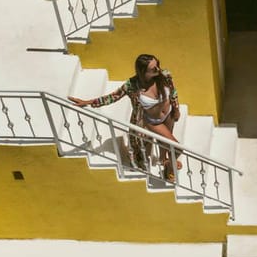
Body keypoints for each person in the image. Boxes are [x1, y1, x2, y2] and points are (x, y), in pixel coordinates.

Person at [69, 54, 182, 182]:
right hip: (153, 121)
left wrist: (176, 109)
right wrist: (88, 102)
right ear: (143, 71)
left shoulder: (164, 75)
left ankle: (164, 159)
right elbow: (112, 97)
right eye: (153, 68)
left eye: (157, 65)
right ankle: (169, 168)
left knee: (165, 142)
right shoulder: (132, 85)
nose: (158, 69)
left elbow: (173, 92)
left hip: (168, 116)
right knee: (177, 148)